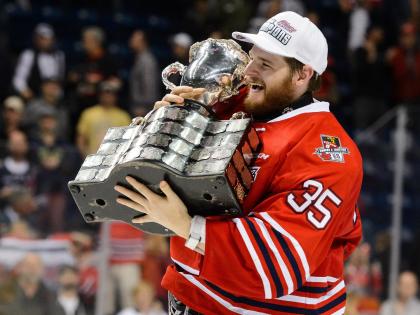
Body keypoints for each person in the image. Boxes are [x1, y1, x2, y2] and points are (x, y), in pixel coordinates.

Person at [115, 11, 363, 314]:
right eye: (252, 57)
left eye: (266, 64)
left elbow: (275, 266)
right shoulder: (228, 104)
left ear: (303, 74)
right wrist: (164, 129)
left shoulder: (328, 153)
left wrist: (185, 225)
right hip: (193, 298)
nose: (249, 71)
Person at [76, 80, 131, 156]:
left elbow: (129, 140)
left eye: (110, 93)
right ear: (99, 95)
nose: (107, 96)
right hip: (92, 158)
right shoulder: (89, 113)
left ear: (115, 96)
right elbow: (81, 138)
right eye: (105, 93)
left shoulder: (123, 116)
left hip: (114, 159)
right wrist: (84, 155)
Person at [12, 23, 65, 100]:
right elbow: (18, 80)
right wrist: (25, 91)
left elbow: (60, 77)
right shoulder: (28, 55)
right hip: (34, 97)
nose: (46, 42)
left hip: (55, 97)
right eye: (42, 38)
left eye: (49, 39)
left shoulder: (59, 56)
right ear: (36, 39)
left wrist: (56, 93)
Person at [128, 30, 160, 117]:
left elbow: (149, 85)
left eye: (134, 38)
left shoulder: (147, 60)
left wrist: (144, 107)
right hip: (139, 105)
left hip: (144, 108)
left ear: (142, 41)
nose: (131, 40)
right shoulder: (139, 57)